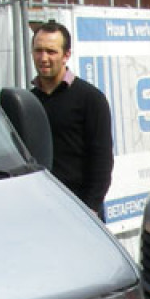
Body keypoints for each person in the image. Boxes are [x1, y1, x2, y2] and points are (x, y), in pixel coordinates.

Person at [30, 20, 114, 221]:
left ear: (66, 55)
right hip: (40, 207)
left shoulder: (90, 99)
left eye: (51, 51)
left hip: (80, 208)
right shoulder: (29, 101)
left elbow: (101, 159)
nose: (43, 58)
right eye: (38, 50)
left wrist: (90, 208)